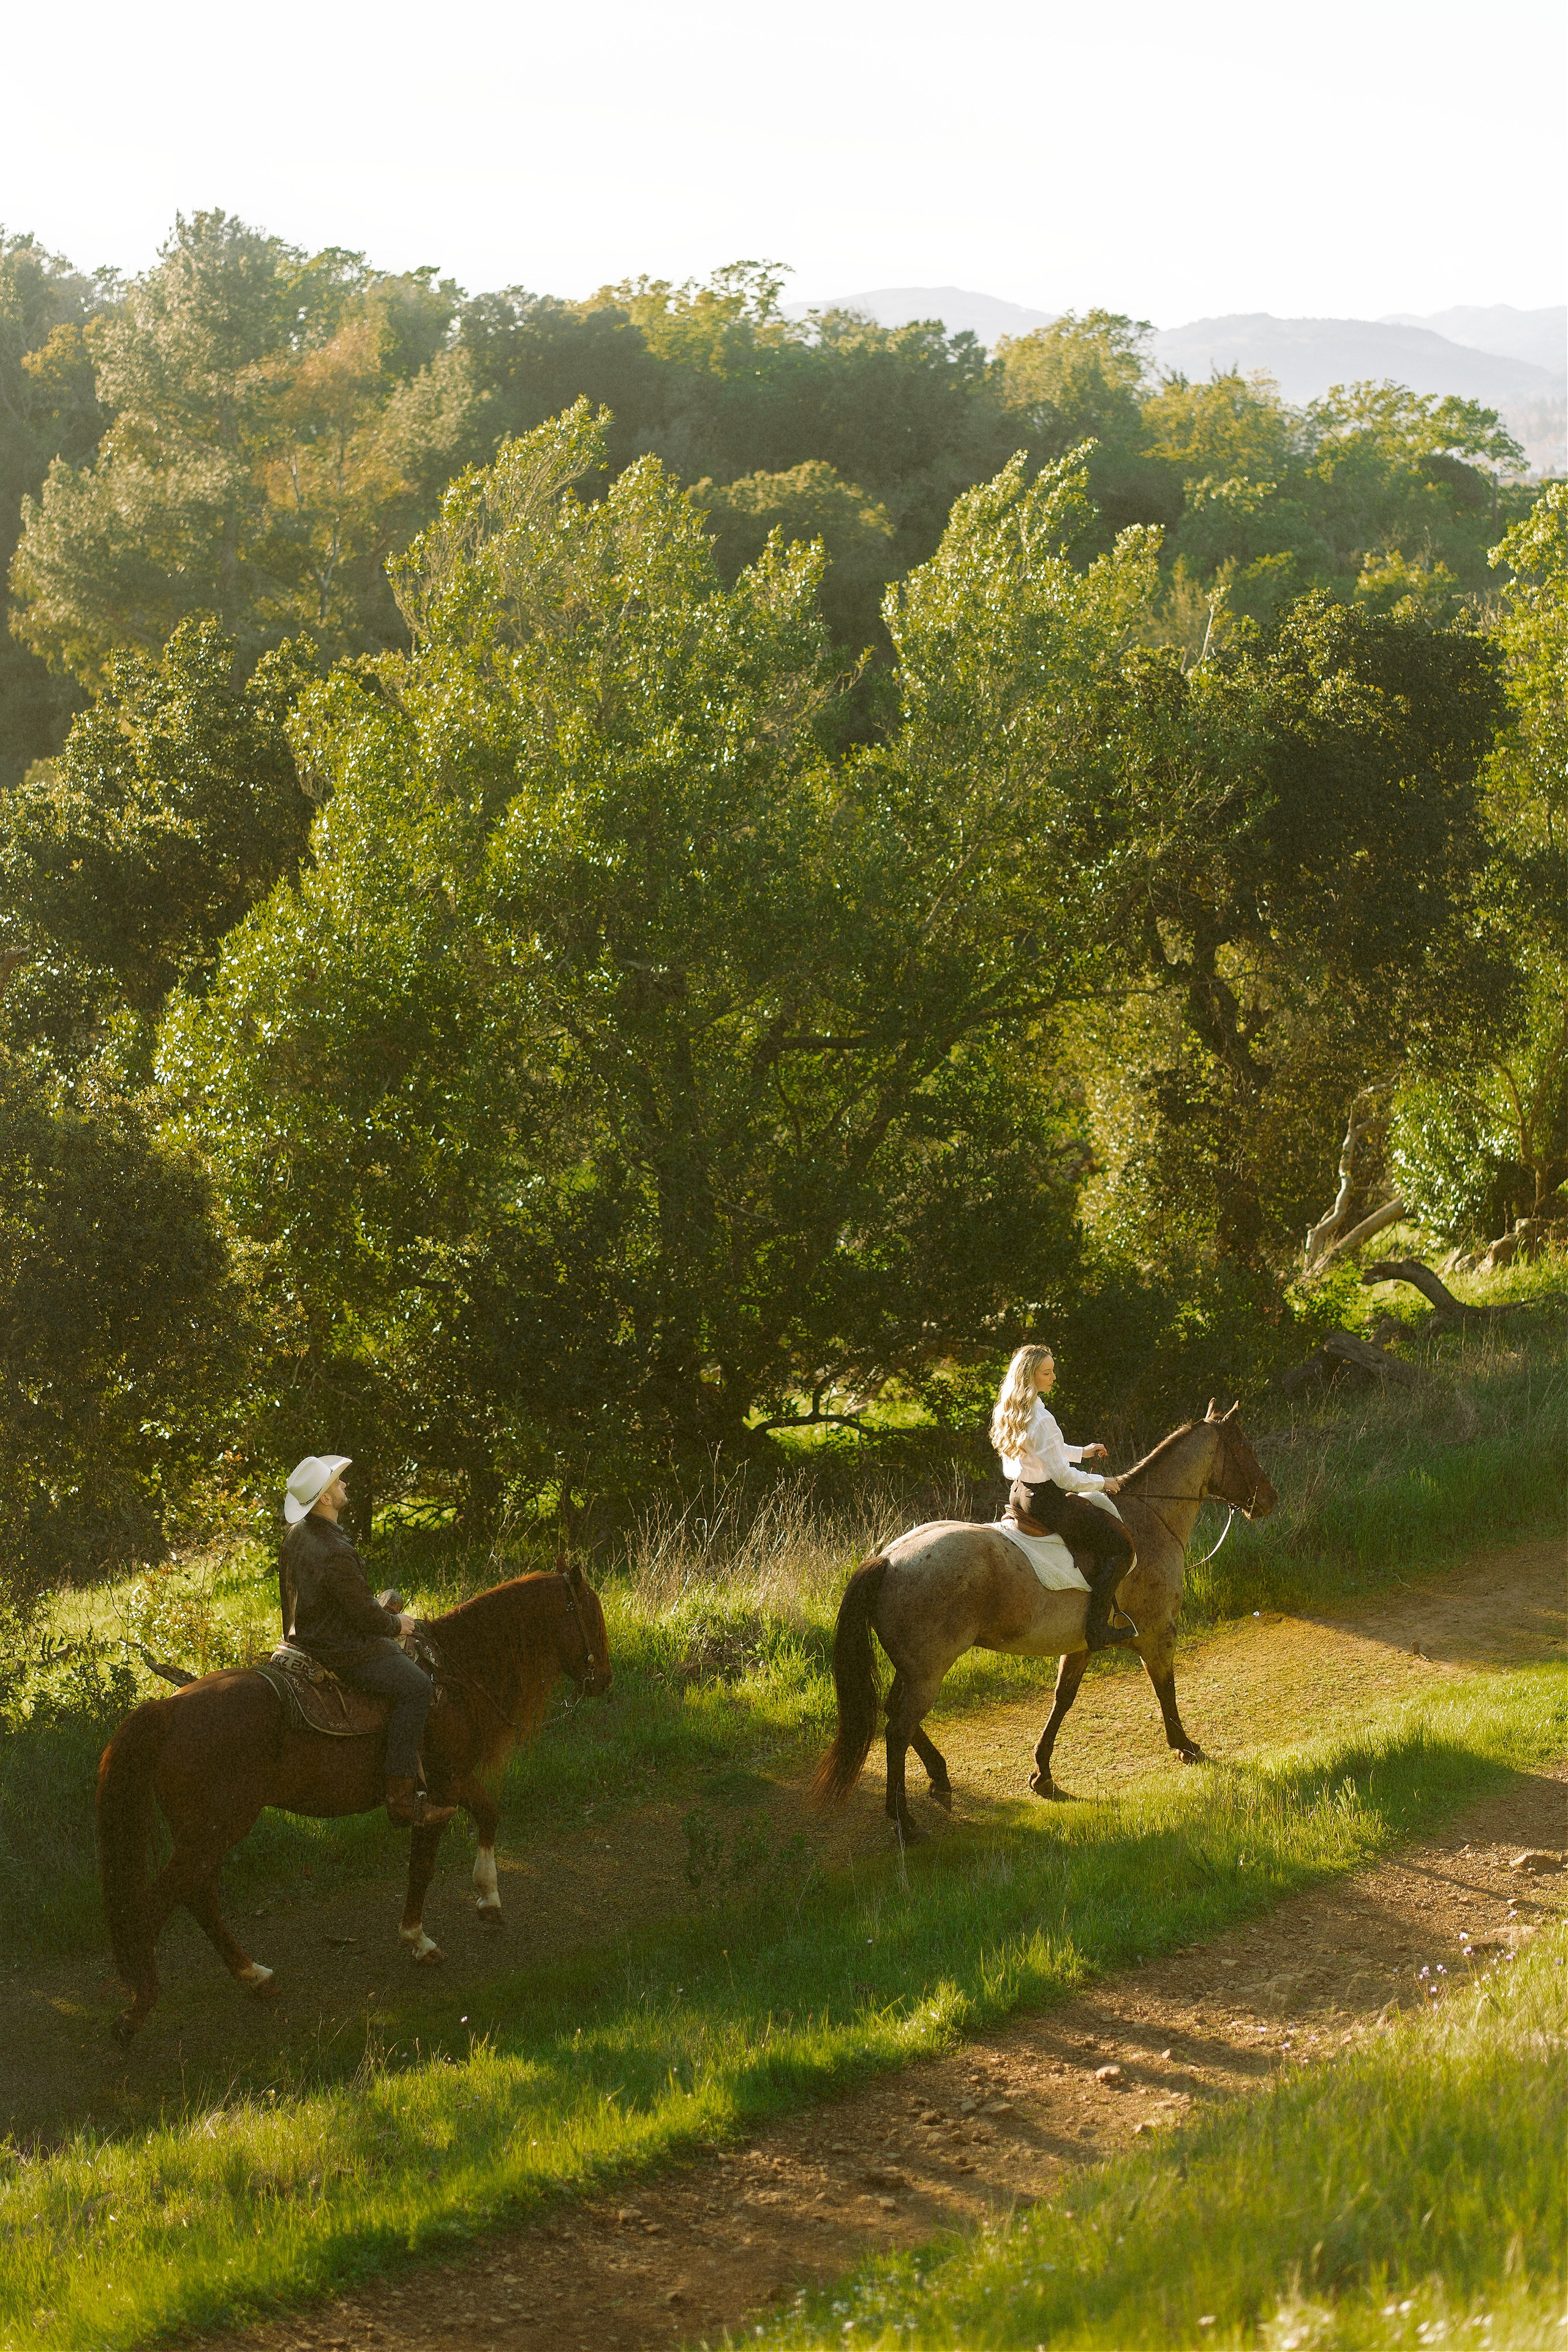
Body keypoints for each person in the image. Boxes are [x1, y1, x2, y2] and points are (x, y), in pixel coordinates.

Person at [278, 1455, 455, 1827]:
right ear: (324, 1498)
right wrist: (395, 1623)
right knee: (417, 1687)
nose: (346, 1486)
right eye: (339, 1483)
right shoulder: (337, 1551)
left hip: (304, 1642)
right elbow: (365, 1618)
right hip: (344, 1651)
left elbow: (320, 1600)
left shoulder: (295, 1536)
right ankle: (403, 1799)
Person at [989, 1345, 1138, 1652]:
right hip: (1046, 1502)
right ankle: (1098, 1630)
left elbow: (1048, 1451)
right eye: (1047, 1372)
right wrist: (1104, 1483)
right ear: (1030, 1376)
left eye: (1053, 1370)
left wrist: (1082, 1452)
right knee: (1120, 1548)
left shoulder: (1016, 1408)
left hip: (1019, 1494)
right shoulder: (1041, 1419)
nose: (1054, 1377)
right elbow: (1065, 1478)